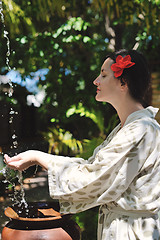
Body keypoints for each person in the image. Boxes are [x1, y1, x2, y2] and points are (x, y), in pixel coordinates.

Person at [4, 49, 160, 240]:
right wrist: (38, 156)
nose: (96, 81)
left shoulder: (141, 130)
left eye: (103, 75)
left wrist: (40, 157)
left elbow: (92, 178)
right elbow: (92, 167)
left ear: (123, 83)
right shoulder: (128, 128)